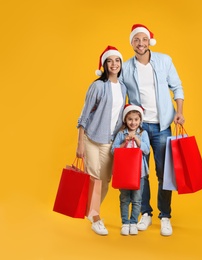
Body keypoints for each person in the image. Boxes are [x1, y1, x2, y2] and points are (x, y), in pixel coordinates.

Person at [121, 24, 185, 236]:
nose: (140, 43)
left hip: (162, 125)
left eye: (144, 39)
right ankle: (145, 213)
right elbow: (121, 96)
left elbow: (177, 86)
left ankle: (165, 215)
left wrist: (179, 111)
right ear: (131, 43)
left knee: (163, 172)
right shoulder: (126, 68)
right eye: (136, 40)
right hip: (139, 129)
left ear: (149, 42)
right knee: (140, 173)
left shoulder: (164, 61)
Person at [76, 45, 127, 236]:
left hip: (109, 140)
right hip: (91, 138)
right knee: (94, 178)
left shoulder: (123, 87)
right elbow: (84, 115)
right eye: (110, 61)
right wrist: (80, 143)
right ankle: (96, 217)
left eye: (117, 60)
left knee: (105, 180)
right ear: (104, 65)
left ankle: (91, 211)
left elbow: (119, 115)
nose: (114, 64)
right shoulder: (97, 86)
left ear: (120, 64)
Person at [111, 104, 150, 236]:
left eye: (136, 119)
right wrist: (124, 143)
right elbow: (113, 151)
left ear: (140, 120)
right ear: (125, 120)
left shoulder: (143, 134)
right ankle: (125, 223)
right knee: (124, 198)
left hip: (139, 172)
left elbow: (147, 150)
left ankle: (133, 223)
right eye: (130, 119)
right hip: (124, 173)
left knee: (137, 199)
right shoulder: (121, 134)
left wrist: (138, 141)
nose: (133, 122)